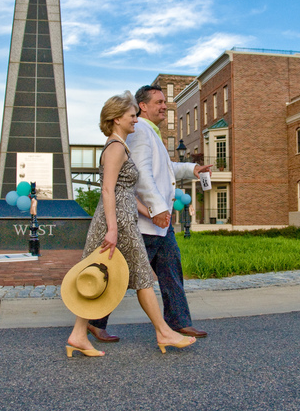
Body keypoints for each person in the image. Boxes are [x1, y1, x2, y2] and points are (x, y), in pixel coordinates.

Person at [65, 91, 196, 357]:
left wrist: (146, 211)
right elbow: (108, 191)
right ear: (116, 119)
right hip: (117, 222)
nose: (136, 120)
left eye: (136, 115)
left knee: (106, 274)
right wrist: (112, 229)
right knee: (139, 277)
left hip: (125, 218)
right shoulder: (115, 148)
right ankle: (164, 331)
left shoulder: (122, 146)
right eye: (132, 115)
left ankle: (79, 334)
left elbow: (124, 192)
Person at [88, 85, 211, 343]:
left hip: (158, 224)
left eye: (165, 102)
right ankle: (93, 321)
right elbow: (141, 173)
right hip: (144, 222)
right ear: (143, 106)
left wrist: (193, 168)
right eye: (159, 101)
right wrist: (156, 209)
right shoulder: (140, 131)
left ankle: (178, 323)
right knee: (121, 276)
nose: (165, 106)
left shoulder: (148, 132)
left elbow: (164, 169)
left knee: (170, 270)